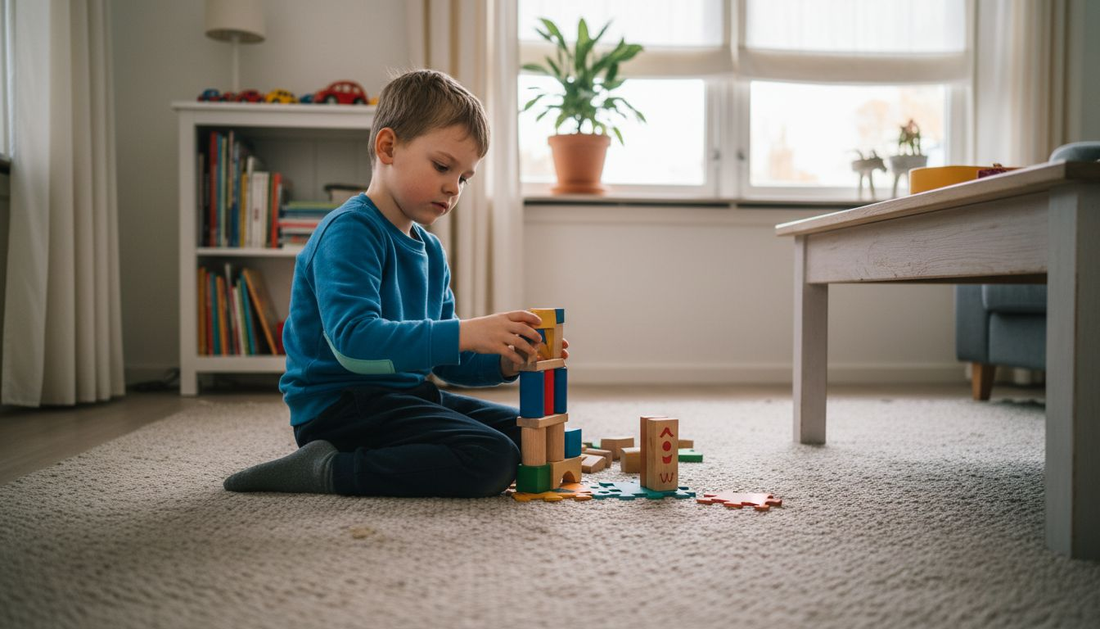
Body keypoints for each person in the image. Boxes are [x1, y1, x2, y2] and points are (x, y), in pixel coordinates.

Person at [224, 69, 567, 498]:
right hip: (341, 408)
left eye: (463, 177)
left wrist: (504, 362)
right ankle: (326, 467)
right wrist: (468, 331)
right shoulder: (349, 232)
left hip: (404, 396)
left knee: (526, 436)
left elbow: (445, 361)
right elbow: (354, 342)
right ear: (388, 147)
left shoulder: (430, 249)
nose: (453, 187)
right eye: (443, 166)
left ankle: (393, 455)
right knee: (490, 457)